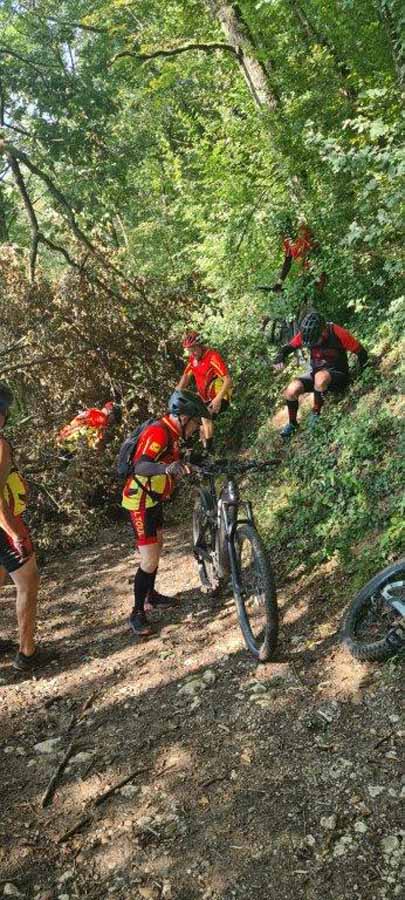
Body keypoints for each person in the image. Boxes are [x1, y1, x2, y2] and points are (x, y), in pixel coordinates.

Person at [122, 389, 210, 637]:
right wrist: (166, 468)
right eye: (195, 423)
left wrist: (192, 463)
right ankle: (137, 612)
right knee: (149, 558)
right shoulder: (159, 432)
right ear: (183, 417)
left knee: (158, 546)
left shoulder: (172, 434)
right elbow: (141, 465)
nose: (196, 428)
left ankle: (150, 594)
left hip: (153, 498)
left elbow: (176, 459)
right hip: (140, 501)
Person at [0, 383, 42, 672]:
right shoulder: (0, 445)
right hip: (5, 527)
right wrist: (15, 534)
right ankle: (27, 654)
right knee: (28, 581)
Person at [274, 311, 368, 438]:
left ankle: (315, 414)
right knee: (291, 390)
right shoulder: (307, 333)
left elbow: (361, 353)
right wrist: (280, 356)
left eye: (315, 341)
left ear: (323, 331)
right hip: (316, 374)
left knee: (320, 377)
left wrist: (362, 376)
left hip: (337, 375)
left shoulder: (338, 333)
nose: (313, 344)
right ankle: (292, 424)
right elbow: (289, 347)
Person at [176, 332, 232, 452]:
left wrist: (217, 399)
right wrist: (177, 393)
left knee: (205, 417)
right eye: (189, 351)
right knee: (194, 423)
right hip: (204, 398)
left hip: (220, 396)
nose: (192, 353)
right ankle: (201, 451)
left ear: (201, 345)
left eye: (194, 349)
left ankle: (209, 451)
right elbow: (186, 376)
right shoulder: (193, 359)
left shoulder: (212, 357)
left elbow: (228, 380)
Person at [271, 219, 326, 295]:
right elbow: (287, 263)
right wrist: (279, 282)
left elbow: (315, 251)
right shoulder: (288, 242)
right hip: (306, 271)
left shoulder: (306, 235)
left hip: (313, 269)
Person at [57, 400, 121, 457]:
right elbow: (92, 436)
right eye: (114, 418)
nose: (112, 421)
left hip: (70, 437)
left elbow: (78, 421)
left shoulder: (95, 412)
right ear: (111, 412)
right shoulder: (100, 418)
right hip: (74, 440)